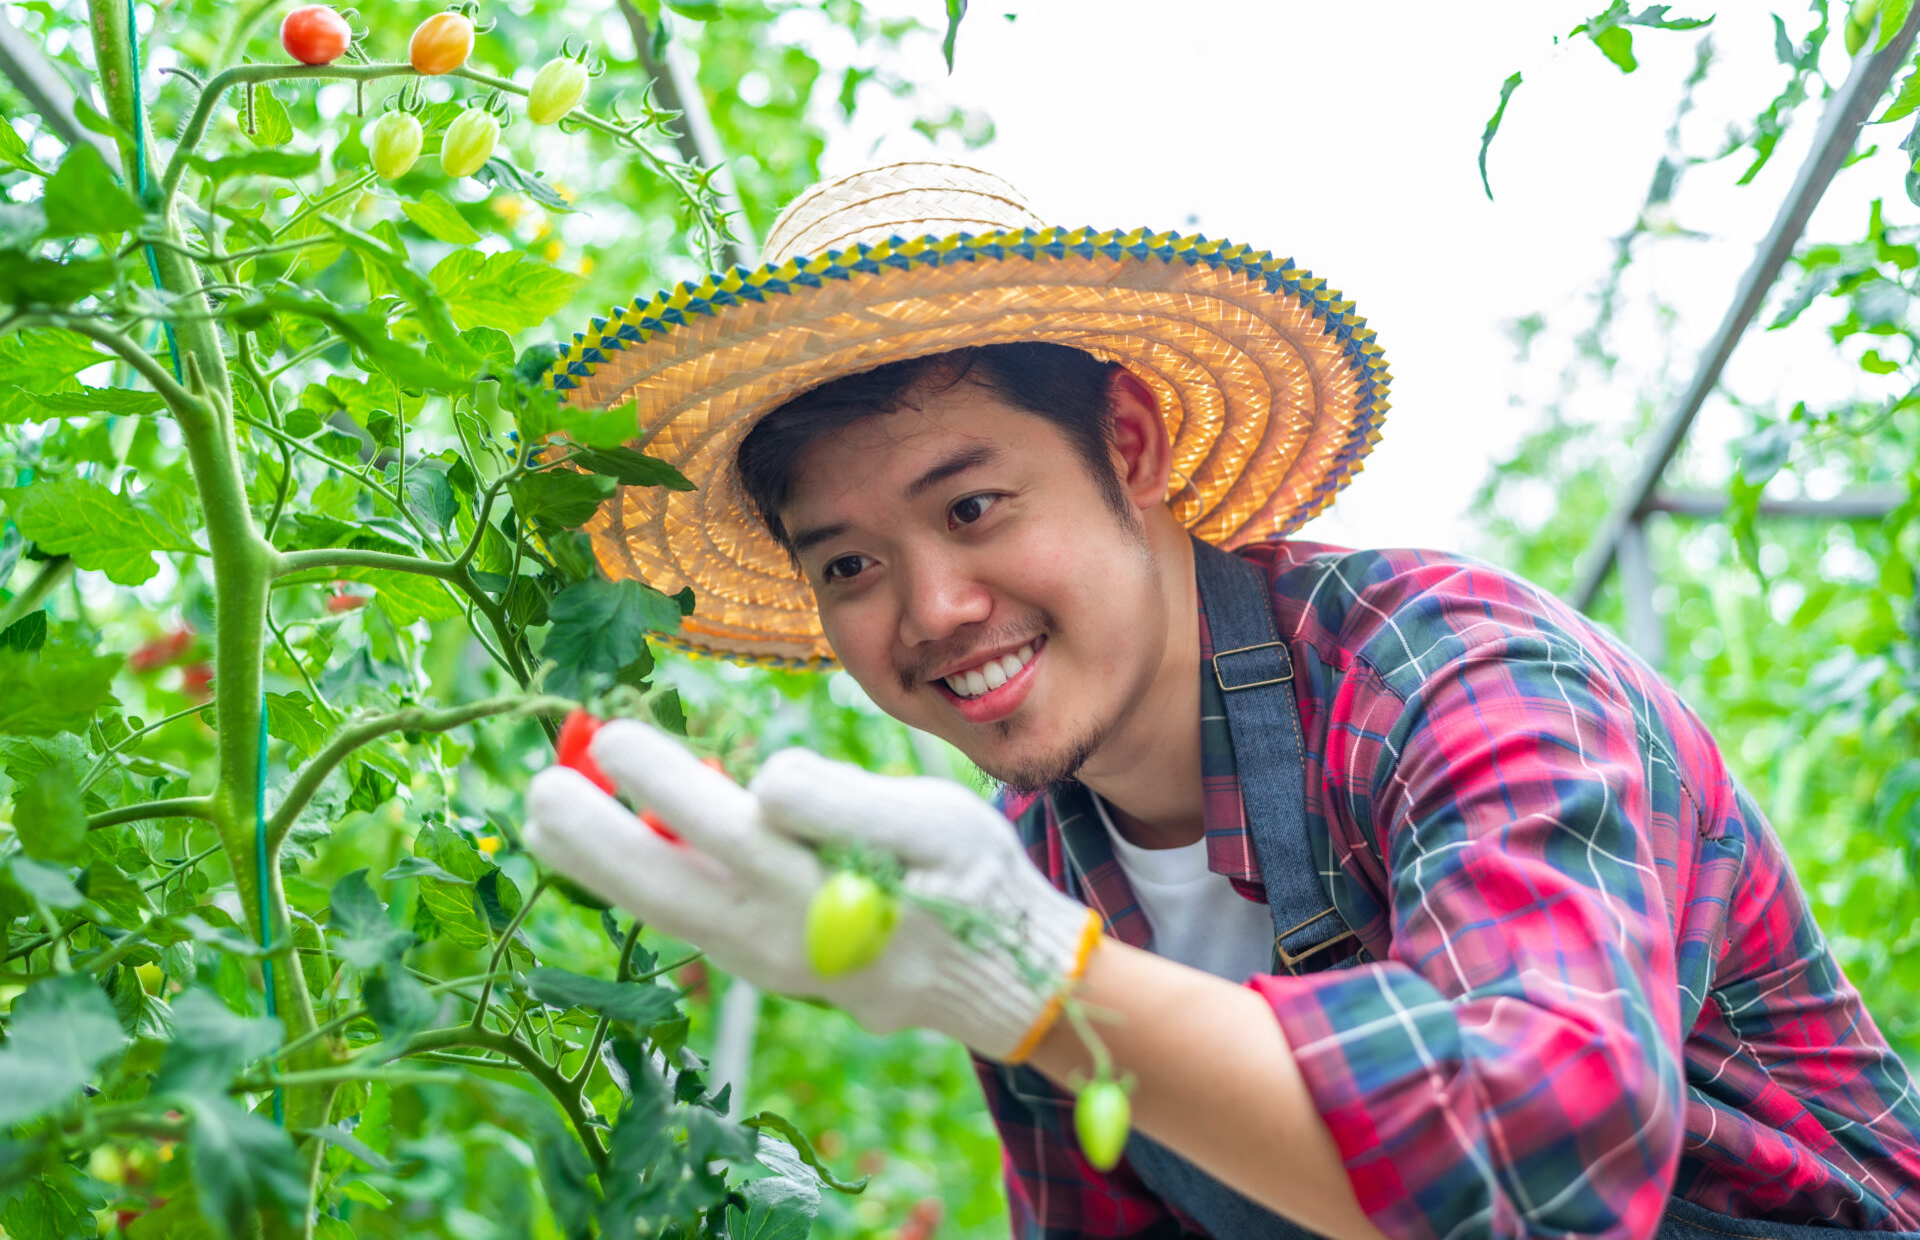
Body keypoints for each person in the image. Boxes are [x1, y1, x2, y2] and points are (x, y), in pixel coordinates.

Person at [522, 160, 1920, 1240]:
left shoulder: (1452, 673)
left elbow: (1554, 1158)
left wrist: (1045, 983)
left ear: (1128, 446)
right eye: (849, 564)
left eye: (975, 503)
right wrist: (1019, 973)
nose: (932, 607)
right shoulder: (1017, 871)